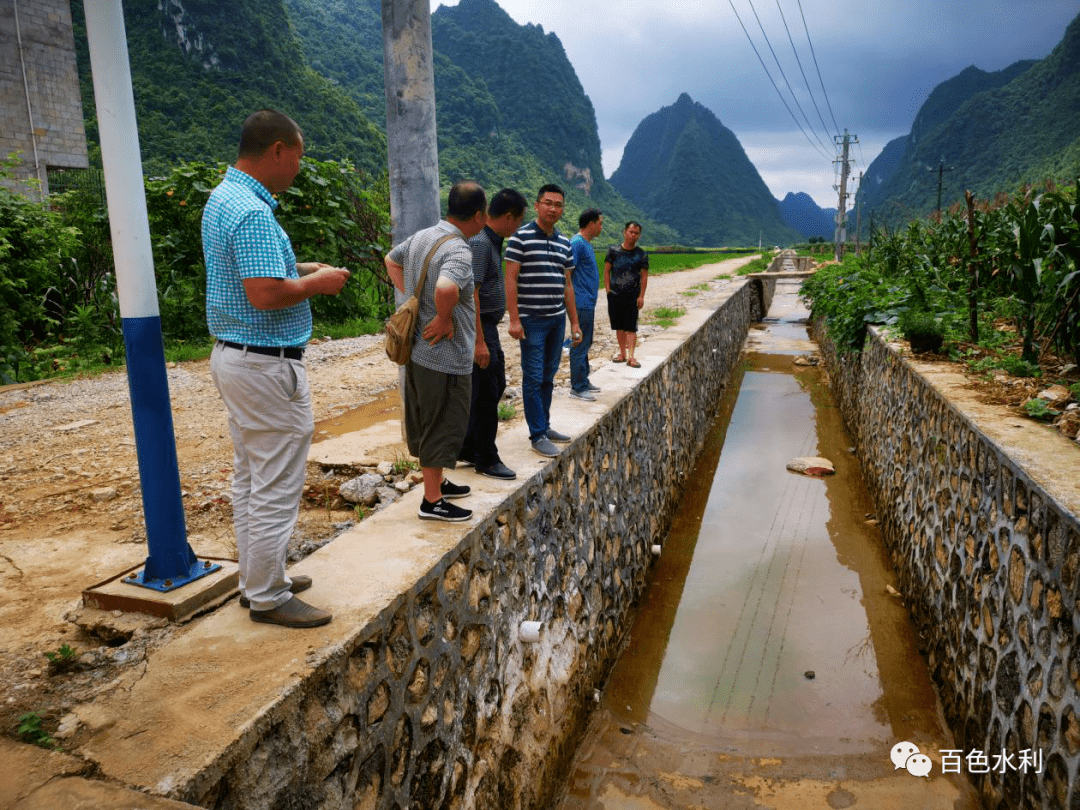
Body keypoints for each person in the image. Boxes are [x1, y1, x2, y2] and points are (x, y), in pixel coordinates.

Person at [204, 109, 351, 629]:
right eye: (298, 156)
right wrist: (318, 283)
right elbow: (265, 293)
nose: (298, 168)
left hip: (237, 357)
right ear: (278, 151)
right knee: (276, 481)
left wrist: (302, 270)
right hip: (266, 364)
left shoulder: (226, 197)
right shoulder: (253, 213)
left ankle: (258, 579)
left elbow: (254, 275)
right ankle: (268, 594)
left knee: (252, 474)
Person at [384, 181, 488, 521]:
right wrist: (442, 317)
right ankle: (432, 501)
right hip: (443, 353)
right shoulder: (458, 249)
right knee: (442, 420)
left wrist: (414, 297)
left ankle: (438, 482)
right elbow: (446, 287)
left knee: (429, 415)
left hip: (420, 349)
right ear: (478, 215)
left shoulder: (422, 236)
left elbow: (391, 260)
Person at [504, 184, 582, 458]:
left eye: (558, 205)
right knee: (534, 376)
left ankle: (545, 426)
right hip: (531, 321)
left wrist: (574, 323)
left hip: (555, 320)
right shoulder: (520, 238)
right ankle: (537, 434)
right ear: (537, 206)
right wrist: (514, 319)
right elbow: (510, 279)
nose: (553, 208)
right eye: (548, 203)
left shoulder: (564, 243)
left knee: (548, 376)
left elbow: (568, 285)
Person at [458, 188, 527, 479]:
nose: (520, 228)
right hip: (480, 326)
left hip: (487, 326)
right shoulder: (481, 244)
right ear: (509, 218)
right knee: (487, 390)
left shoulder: (492, 241)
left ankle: (470, 445)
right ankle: (486, 456)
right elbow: (470, 292)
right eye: (520, 221)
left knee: (494, 384)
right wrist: (479, 342)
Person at [568, 208, 603, 401]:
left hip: (587, 302)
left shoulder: (585, 244)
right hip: (580, 302)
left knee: (586, 340)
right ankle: (578, 387)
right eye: (600, 223)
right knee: (579, 342)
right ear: (591, 224)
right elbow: (567, 273)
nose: (601, 227)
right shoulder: (577, 243)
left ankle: (584, 379)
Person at [605, 221, 649, 368]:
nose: (633, 235)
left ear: (639, 235)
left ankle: (631, 356)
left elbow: (644, 277)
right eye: (631, 232)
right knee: (619, 326)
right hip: (615, 294)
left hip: (632, 295)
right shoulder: (613, 251)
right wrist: (607, 289)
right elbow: (606, 271)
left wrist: (641, 296)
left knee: (631, 326)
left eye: (636, 233)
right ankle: (622, 353)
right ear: (624, 232)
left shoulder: (641, 254)